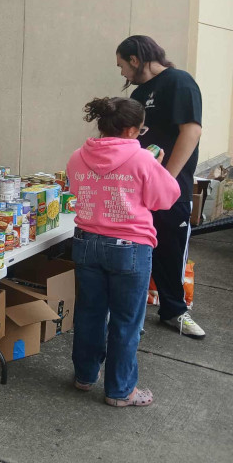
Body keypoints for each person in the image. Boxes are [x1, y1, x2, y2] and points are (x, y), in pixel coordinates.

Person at [67, 97, 180, 407]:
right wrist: (155, 167)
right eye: (141, 128)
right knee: (126, 321)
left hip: (86, 241)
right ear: (131, 129)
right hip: (130, 247)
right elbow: (166, 198)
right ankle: (120, 391)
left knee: (89, 313)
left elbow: (77, 189)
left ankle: (84, 377)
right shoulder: (143, 159)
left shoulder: (78, 156)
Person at [116, 35, 205, 338]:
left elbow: (191, 132)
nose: (123, 74)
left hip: (170, 187)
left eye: (122, 66)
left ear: (136, 59)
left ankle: (174, 311)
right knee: (138, 248)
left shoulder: (179, 82)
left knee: (171, 247)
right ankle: (133, 313)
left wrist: (166, 177)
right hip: (137, 187)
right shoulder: (140, 93)